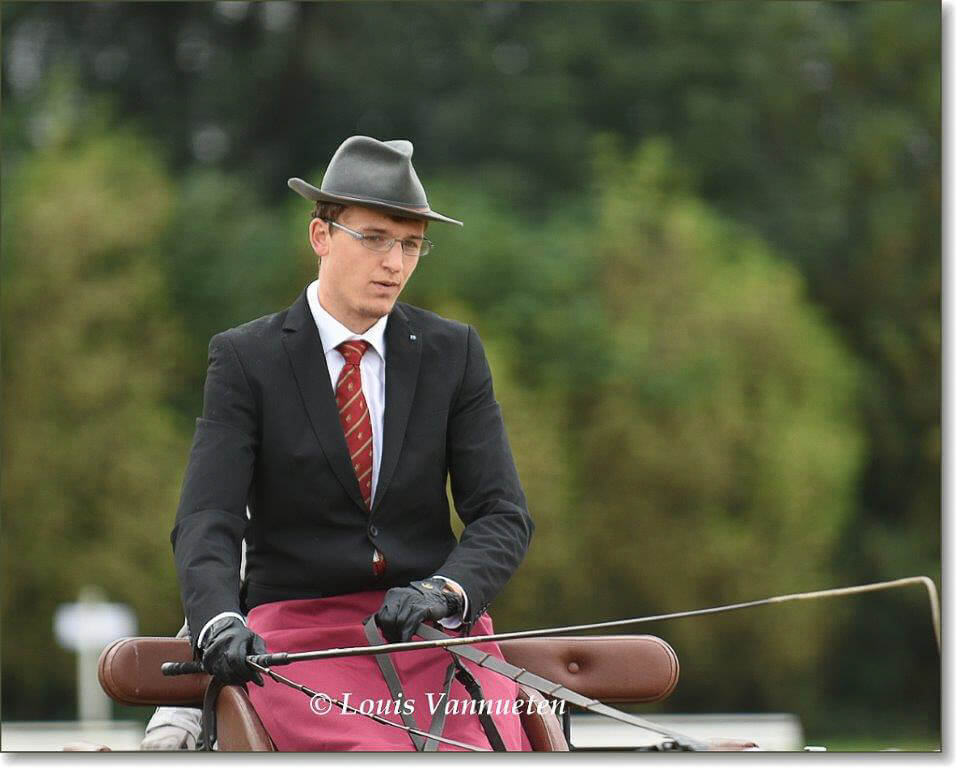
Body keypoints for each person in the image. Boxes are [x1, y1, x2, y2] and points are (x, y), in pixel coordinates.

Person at [169, 135, 534, 751]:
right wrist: (219, 621)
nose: (394, 264)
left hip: (427, 636)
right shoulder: (245, 358)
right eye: (374, 239)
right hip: (295, 643)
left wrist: (445, 591)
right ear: (320, 235)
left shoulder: (455, 353)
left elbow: (503, 514)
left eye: (411, 244)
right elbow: (208, 517)